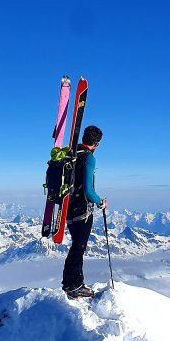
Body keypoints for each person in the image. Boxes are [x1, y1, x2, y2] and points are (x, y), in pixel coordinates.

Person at [62, 125, 106, 299]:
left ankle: (75, 282)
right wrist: (100, 201)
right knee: (79, 248)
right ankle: (73, 286)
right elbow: (89, 190)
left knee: (76, 247)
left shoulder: (71, 154)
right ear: (96, 143)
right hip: (82, 210)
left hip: (67, 208)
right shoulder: (89, 158)